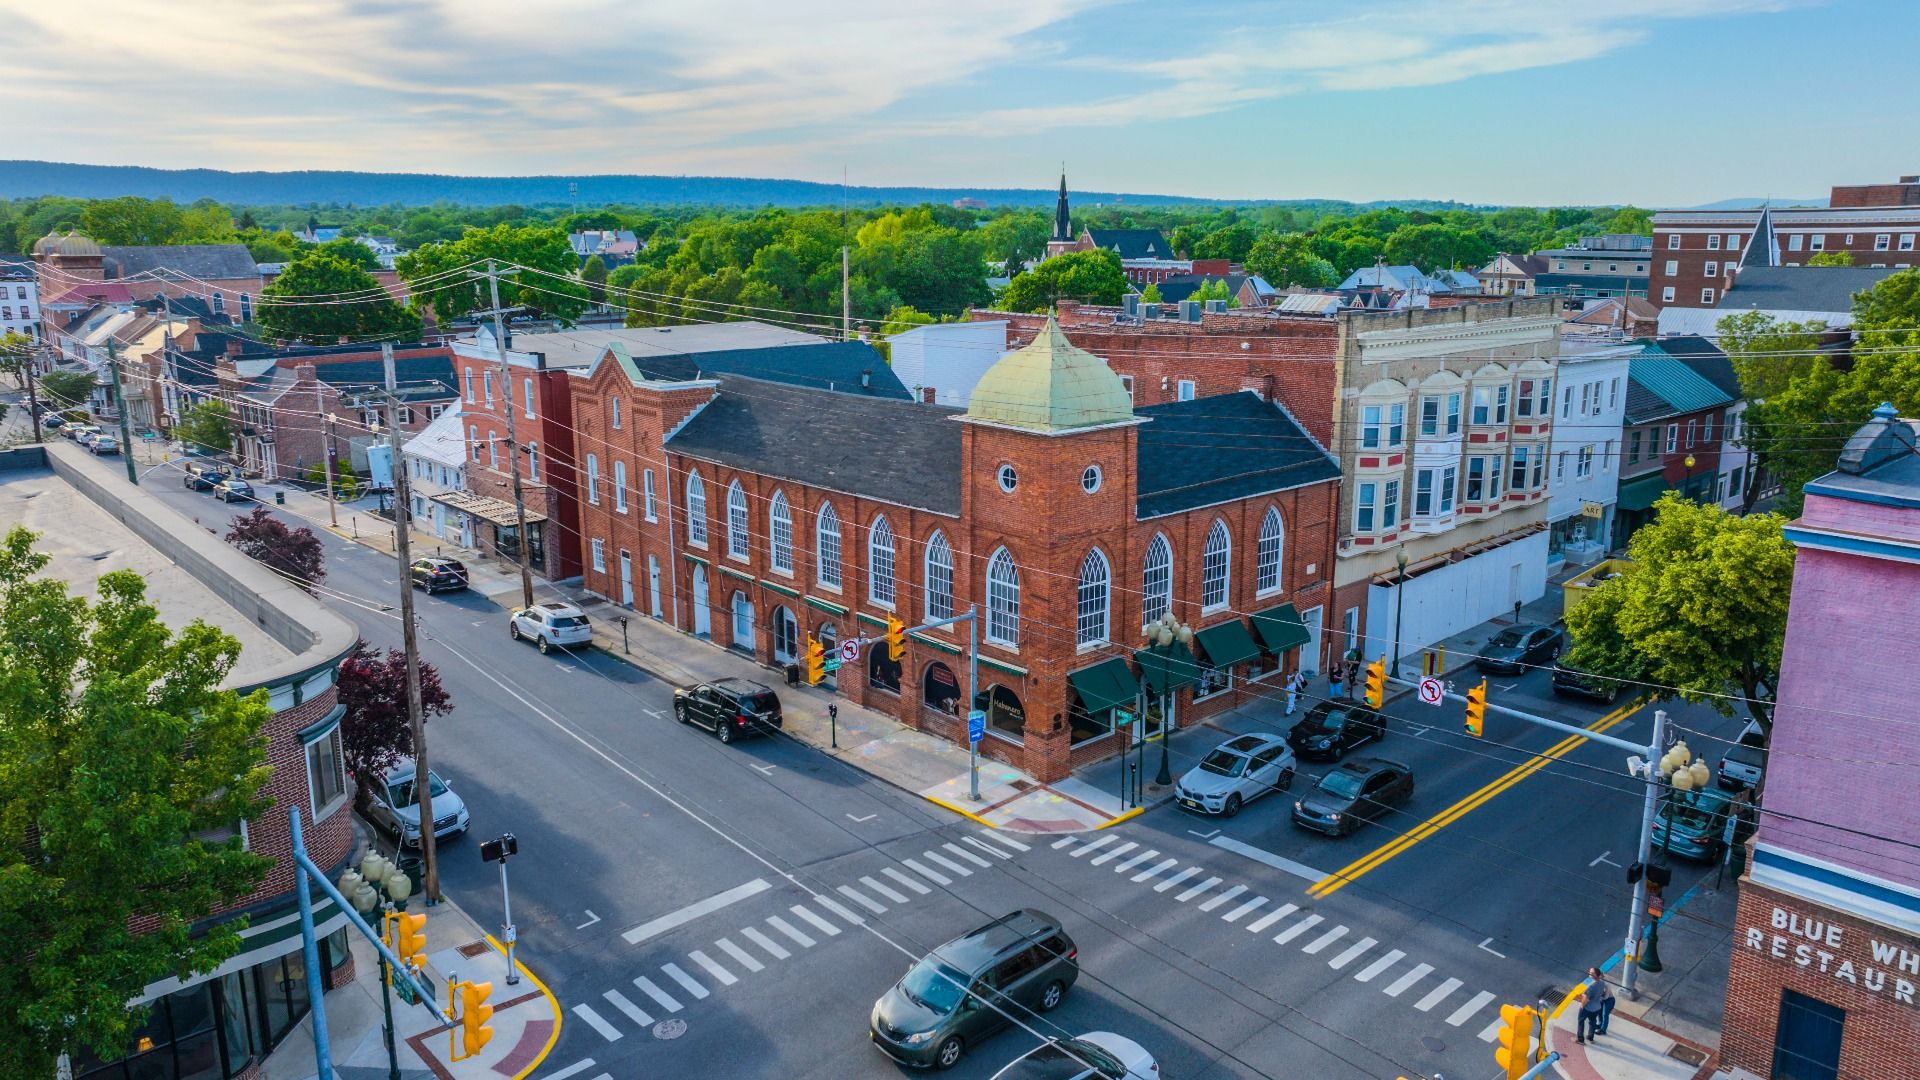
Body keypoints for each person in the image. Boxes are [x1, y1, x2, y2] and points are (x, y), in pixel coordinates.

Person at [1577, 969, 1607, 1043]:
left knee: (1581, 1021)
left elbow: (1586, 999)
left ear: (1595, 975)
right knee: (1593, 1021)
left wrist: (1582, 1005)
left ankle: (1580, 1039)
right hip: (1597, 1007)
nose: (1589, 973)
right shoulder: (1602, 983)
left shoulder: (1591, 986)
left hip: (1588, 1007)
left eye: (1591, 973)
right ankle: (1590, 1037)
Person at [1591, 966, 1616, 1034]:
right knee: (1599, 1012)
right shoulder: (1596, 983)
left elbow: (1606, 997)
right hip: (1602, 1000)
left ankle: (1603, 1030)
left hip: (1609, 1000)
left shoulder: (1605, 985)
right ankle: (1600, 1024)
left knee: (1605, 1014)